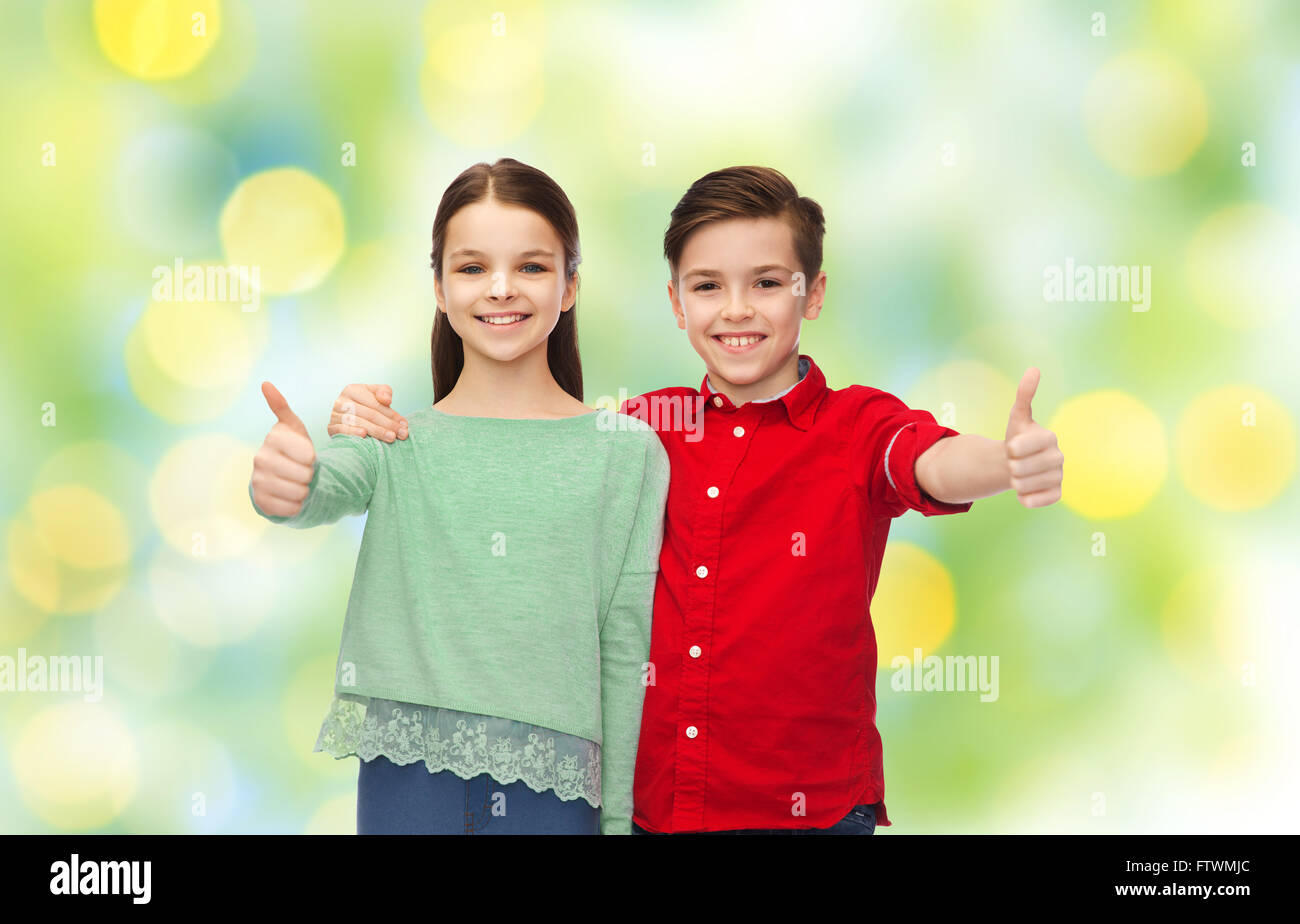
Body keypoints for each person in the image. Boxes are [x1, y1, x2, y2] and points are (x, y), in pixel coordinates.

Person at [334, 164, 1063, 835]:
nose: (737, 310)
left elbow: (928, 462)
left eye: (768, 283)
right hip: (658, 810)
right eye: (709, 286)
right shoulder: (639, 431)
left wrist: (1004, 462)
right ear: (677, 302)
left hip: (807, 812)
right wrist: (373, 423)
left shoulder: (856, 428)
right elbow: (523, 459)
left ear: (812, 293)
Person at [249, 158, 669, 835]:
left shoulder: (627, 453)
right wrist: (285, 482)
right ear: (439, 289)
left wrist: (619, 821)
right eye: (472, 268)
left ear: (569, 287)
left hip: (557, 791)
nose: (501, 289)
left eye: (531, 267)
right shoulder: (391, 438)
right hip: (406, 781)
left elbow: (625, 651)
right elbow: (321, 488)